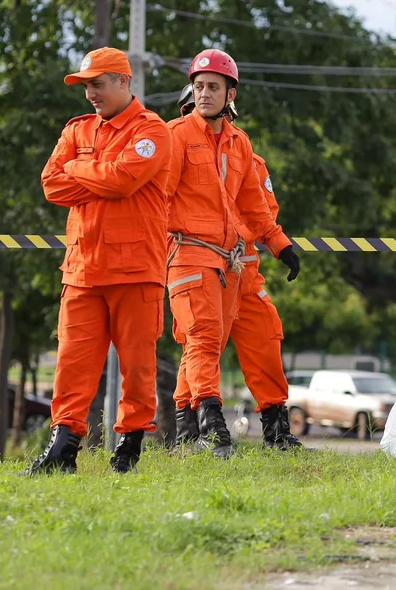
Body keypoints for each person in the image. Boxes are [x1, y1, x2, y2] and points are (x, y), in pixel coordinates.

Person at [27, 46, 172, 475]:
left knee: (138, 366)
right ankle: (61, 451)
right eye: (86, 85)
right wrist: (98, 175)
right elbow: (51, 185)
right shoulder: (76, 130)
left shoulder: (153, 131)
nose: (90, 93)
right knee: (72, 364)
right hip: (82, 270)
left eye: (98, 83)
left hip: (136, 271)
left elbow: (123, 180)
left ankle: (127, 451)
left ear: (124, 81)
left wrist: (79, 170)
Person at [165, 49, 301, 458]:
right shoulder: (175, 136)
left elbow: (260, 209)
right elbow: (158, 201)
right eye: (197, 89)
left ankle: (276, 431)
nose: (202, 97)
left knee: (263, 336)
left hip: (240, 265)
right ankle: (201, 428)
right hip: (193, 256)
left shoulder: (243, 149)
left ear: (230, 96)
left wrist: (280, 244)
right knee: (201, 339)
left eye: (211, 88)